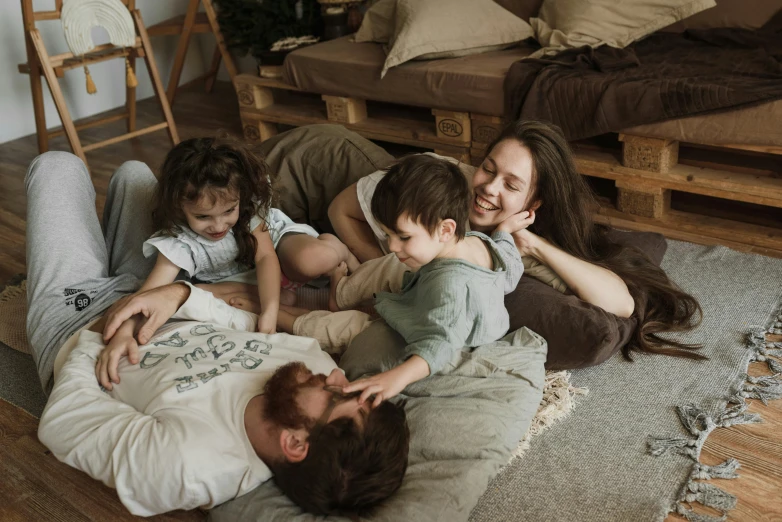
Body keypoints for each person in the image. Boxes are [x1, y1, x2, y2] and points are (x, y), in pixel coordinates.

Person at [27, 151, 409, 517]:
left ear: (295, 442)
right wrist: (176, 295)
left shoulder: (186, 466)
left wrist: (108, 333)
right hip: (162, 297)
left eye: (338, 395)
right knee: (136, 175)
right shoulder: (308, 368)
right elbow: (243, 324)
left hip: (79, 323)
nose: (339, 375)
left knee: (56, 165)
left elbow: (64, 418)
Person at [327, 120, 703, 360]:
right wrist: (377, 258)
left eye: (511, 184)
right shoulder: (434, 187)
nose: (488, 188)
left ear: (533, 203)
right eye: (488, 169)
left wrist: (534, 244)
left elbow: (620, 303)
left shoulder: (512, 244)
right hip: (327, 151)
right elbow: (339, 210)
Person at [101, 136, 359, 387]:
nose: (218, 225)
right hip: (244, 277)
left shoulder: (248, 213)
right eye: (203, 217)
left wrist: (269, 314)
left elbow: (266, 257)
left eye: (228, 211)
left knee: (312, 261)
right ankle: (292, 301)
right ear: (179, 207)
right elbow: (151, 294)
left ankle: (338, 248)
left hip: (280, 247)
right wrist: (124, 333)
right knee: (194, 295)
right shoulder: (178, 242)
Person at [266, 155, 523, 405]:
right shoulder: (480, 243)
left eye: (403, 237)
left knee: (355, 327)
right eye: (388, 235)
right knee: (394, 264)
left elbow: (440, 344)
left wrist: (395, 379)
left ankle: (282, 315)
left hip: (440, 342)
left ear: (445, 229)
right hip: (426, 296)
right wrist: (504, 232)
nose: (391, 245)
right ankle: (342, 292)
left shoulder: (450, 288)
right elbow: (511, 265)